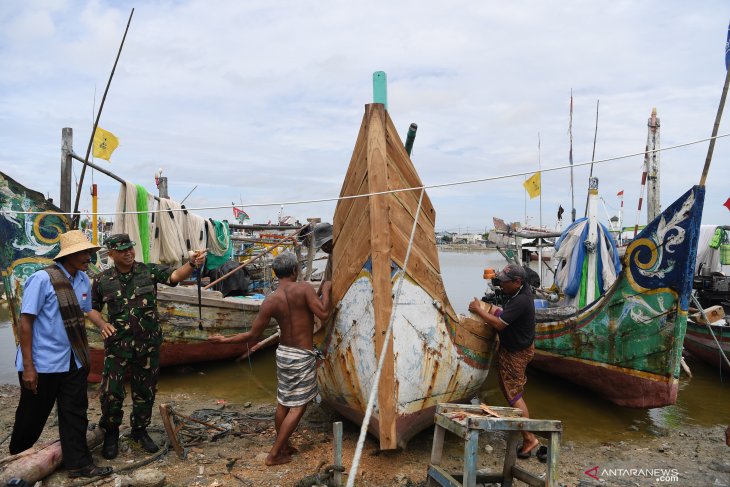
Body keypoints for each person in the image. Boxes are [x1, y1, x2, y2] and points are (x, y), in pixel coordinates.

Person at [87, 233, 206, 460]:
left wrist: (191, 264)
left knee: (145, 391)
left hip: (147, 345)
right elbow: (91, 307)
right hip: (117, 346)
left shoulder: (147, 271)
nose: (128, 253)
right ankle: (111, 432)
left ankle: (139, 431)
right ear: (110, 254)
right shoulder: (102, 280)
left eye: (130, 248)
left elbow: (174, 276)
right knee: (112, 393)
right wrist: (101, 323)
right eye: (122, 250)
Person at [208, 252, 331, 466]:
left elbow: (252, 336)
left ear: (275, 273)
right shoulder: (303, 288)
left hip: (283, 353)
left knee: (283, 401)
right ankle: (274, 454)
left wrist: (223, 340)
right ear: (295, 270)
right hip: (301, 355)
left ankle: (283, 445)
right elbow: (323, 313)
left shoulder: (271, 300)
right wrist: (327, 291)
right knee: (299, 406)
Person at [10, 230, 113, 479]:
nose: (89, 256)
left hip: (73, 360)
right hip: (43, 363)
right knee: (31, 416)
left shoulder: (82, 280)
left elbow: (88, 310)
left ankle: (79, 464)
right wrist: (29, 367)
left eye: (90, 252)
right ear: (69, 255)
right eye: (84, 252)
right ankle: (15, 462)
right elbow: (26, 322)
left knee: (75, 413)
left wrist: (103, 325)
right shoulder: (42, 280)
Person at [468, 263, 540, 458]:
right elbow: (505, 316)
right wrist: (493, 310)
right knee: (510, 391)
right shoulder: (520, 293)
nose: (501, 285)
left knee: (514, 395)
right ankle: (527, 434)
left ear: (518, 282)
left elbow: (500, 325)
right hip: (518, 346)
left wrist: (479, 309)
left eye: (505, 282)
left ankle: (530, 438)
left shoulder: (522, 300)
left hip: (517, 352)